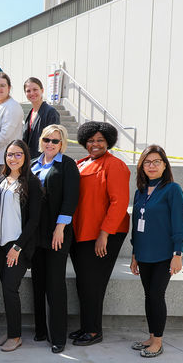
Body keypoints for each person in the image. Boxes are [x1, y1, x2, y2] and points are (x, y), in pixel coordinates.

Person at [69, 121, 131, 347]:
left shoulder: (114, 165)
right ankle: (86, 326)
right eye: (91, 140)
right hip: (82, 231)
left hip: (102, 234)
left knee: (93, 284)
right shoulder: (83, 163)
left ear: (108, 142)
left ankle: (94, 331)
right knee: (84, 283)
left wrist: (104, 234)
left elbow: (119, 202)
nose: (94, 144)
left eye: (100, 141)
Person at [130, 145, 183, 359]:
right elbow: (135, 224)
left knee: (156, 295)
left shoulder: (172, 189)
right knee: (149, 296)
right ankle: (151, 336)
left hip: (165, 255)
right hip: (144, 254)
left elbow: (179, 224)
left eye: (157, 161)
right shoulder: (140, 191)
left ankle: (158, 341)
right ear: (142, 166)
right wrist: (135, 255)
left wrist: (178, 254)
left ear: (165, 165)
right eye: (148, 162)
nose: (152, 166)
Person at [29, 124, 80, 354]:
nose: (50, 144)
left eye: (55, 141)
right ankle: (41, 330)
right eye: (47, 139)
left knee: (55, 283)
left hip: (57, 232)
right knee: (38, 281)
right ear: (41, 141)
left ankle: (57, 336)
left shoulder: (67, 165)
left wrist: (60, 228)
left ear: (62, 144)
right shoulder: (32, 164)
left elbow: (71, 198)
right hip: (35, 233)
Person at [0, 140, 42, 352]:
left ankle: (15, 335)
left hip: (17, 246)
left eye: (18, 154)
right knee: (6, 289)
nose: (13, 158)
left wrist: (18, 247)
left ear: (25, 157)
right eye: (10, 154)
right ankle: (11, 329)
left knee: (10, 288)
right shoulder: (1, 179)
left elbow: (34, 220)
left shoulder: (31, 182)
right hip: (1, 245)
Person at [22, 77, 60, 159]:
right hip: (31, 161)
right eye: (28, 91)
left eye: (35, 89)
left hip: (44, 160)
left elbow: (54, 141)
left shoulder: (51, 112)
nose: (32, 93)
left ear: (42, 90)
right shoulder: (31, 113)